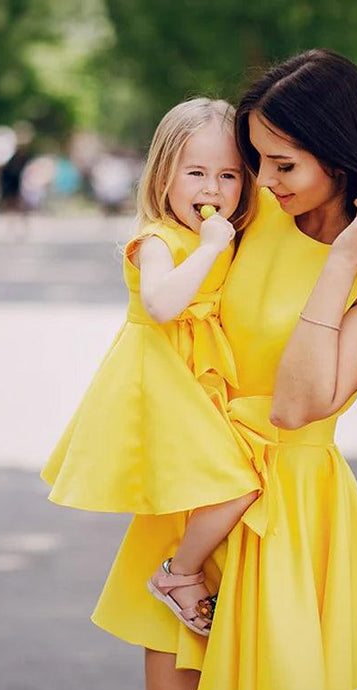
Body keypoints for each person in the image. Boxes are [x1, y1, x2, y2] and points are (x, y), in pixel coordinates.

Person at [92, 49, 357, 690]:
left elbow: (296, 408)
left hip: (289, 513)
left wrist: (343, 258)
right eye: (256, 161)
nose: (261, 181)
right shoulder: (251, 211)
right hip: (201, 492)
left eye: (283, 164)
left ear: (341, 156)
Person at [42, 98, 264, 635]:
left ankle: (191, 570)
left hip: (194, 380)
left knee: (218, 483)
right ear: (164, 175)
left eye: (228, 175)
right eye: (196, 173)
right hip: (162, 380)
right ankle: (178, 574)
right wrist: (210, 249)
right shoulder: (158, 240)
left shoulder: (228, 236)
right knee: (238, 485)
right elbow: (163, 305)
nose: (212, 190)